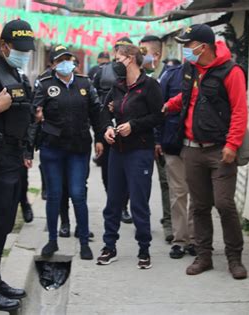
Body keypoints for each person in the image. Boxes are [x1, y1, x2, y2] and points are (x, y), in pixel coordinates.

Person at [162, 24, 248, 279]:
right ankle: (204, 257)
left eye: (188, 45)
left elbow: (240, 111)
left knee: (224, 204)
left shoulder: (231, 72)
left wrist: (232, 145)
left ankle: (234, 259)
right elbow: (189, 98)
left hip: (220, 150)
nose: (185, 50)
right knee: (199, 206)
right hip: (191, 150)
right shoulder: (191, 68)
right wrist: (170, 104)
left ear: (204, 46)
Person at [0, 20, 37, 311]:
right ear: (3, 46)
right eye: (19, 49)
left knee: (4, 225)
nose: (24, 54)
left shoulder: (13, 71)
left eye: (27, 51)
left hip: (12, 159)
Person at [98, 44, 164, 269]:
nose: (115, 63)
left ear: (131, 59)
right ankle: (109, 246)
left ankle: (144, 250)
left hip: (140, 151)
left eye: (118, 59)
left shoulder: (150, 86)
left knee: (138, 203)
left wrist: (133, 126)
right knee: (113, 201)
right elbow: (105, 111)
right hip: (117, 151)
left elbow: (158, 116)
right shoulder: (116, 86)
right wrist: (107, 127)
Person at [33, 45, 102, 260]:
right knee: (54, 195)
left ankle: (83, 241)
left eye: (68, 59)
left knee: (78, 194)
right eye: (60, 60)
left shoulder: (84, 83)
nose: (65, 63)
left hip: (78, 148)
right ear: (53, 64)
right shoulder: (45, 85)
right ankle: (52, 241)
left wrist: (100, 136)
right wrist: (36, 116)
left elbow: (96, 112)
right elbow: (34, 111)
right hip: (52, 148)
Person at [159, 58, 197, 258]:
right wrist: (158, 140)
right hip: (173, 143)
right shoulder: (170, 75)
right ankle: (179, 239)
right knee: (178, 192)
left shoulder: (207, 75)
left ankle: (194, 238)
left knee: (197, 194)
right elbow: (160, 108)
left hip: (198, 143)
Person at [93, 37, 134, 224]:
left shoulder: (138, 76)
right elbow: (93, 102)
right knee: (106, 168)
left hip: (128, 129)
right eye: (119, 49)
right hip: (106, 127)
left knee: (127, 170)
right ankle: (113, 200)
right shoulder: (102, 73)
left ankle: (123, 205)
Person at [139, 35, 173, 243]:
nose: (139, 57)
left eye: (143, 53)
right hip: (140, 138)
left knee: (166, 181)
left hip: (162, 139)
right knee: (140, 181)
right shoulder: (136, 76)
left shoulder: (169, 76)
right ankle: (143, 223)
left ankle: (169, 223)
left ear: (156, 55)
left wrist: (160, 139)